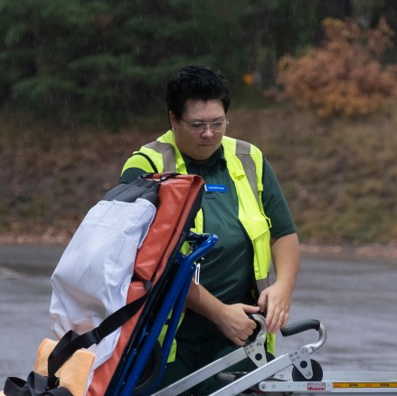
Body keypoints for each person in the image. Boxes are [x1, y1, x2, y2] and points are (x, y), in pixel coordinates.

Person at [120, 65, 302, 394]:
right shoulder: (146, 166)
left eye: (217, 123)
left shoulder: (249, 159)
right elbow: (146, 262)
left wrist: (283, 288)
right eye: (198, 125)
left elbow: (283, 233)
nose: (209, 134)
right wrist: (218, 312)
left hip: (241, 331)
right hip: (165, 340)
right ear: (173, 119)